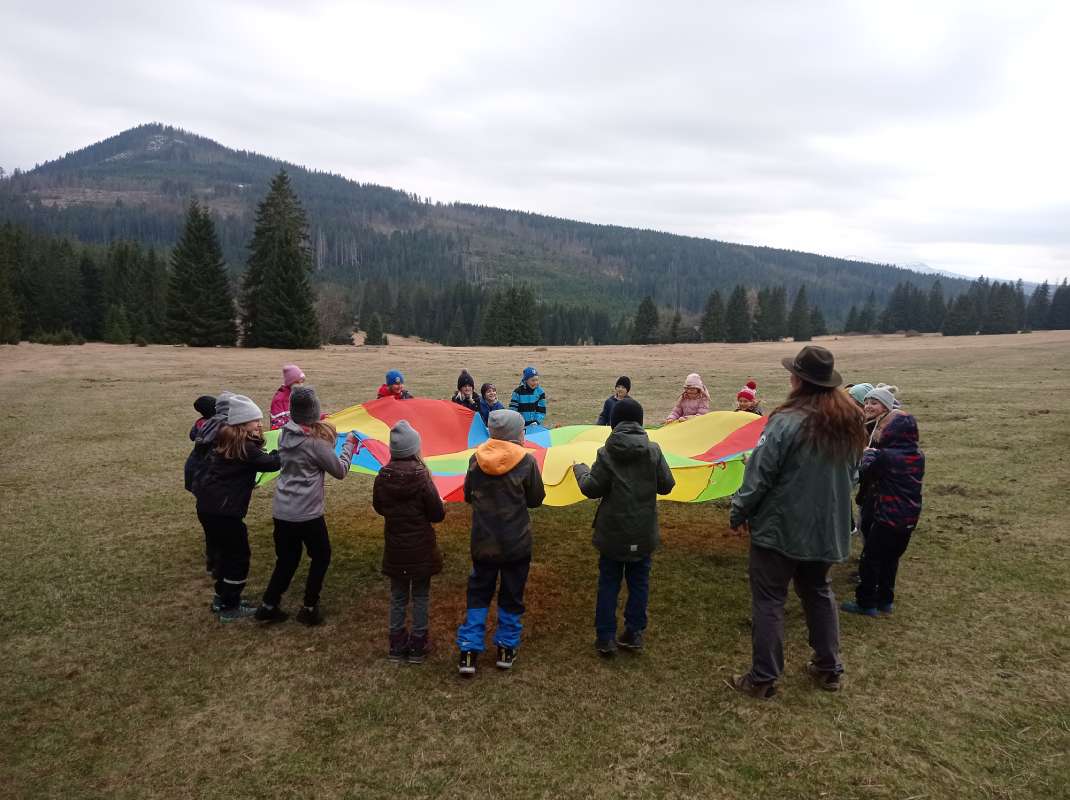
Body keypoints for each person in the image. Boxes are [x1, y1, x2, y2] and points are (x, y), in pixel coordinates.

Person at [728, 345, 865, 697]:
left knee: (769, 599)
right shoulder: (849, 422)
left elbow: (759, 475)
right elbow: (852, 474)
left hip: (780, 529)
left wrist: (738, 510)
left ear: (799, 380)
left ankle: (763, 678)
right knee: (818, 591)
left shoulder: (785, 422)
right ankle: (828, 668)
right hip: (826, 529)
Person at [573, 398, 675, 656]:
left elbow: (591, 488)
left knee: (609, 583)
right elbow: (667, 485)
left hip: (613, 533)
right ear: (640, 422)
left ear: (613, 423)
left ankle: (605, 637)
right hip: (643, 532)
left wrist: (580, 470)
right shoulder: (653, 451)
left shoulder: (606, 453)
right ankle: (634, 632)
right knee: (639, 582)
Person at [255, 387, 358, 626]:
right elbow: (340, 471)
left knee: (287, 560)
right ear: (313, 413)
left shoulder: (284, 434)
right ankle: (310, 607)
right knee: (321, 556)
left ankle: (268, 605)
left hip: (282, 511)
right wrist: (349, 445)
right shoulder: (315, 444)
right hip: (307, 515)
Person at [456, 410, 545, 676]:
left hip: (483, 542)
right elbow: (536, 499)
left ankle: (468, 650)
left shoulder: (475, 459)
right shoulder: (527, 461)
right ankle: (506, 647)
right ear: (516, 433)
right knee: (512, 594)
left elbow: (468, 494)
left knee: (478, 592)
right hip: (516, 542)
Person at [194, 395, 281, 621]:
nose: (259, 424)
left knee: (224, 555)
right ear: (242, 424)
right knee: (238, 556)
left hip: (208, 508)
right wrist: (281, 451)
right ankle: (230, 606)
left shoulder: (226, 439)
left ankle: (221, 598)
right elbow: (272, 464)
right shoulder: (244, 447)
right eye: (255, 421)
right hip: (225, 512)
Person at [372, 421, 446, 663]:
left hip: (395, 548)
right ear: (415, 448)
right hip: (421, 549)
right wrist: (439, 504)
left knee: (398, 596)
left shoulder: (383, 476)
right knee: (421, 596)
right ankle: (417, 644)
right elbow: (436, 514)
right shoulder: (422, 477)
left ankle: (396, 645)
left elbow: (379, 507)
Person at [842, 413, 925, 617]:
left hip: (887, 518)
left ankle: (866, 602)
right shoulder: (918, 456)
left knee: (870, 559)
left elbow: (867, 470)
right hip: (909, 518)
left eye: (882, 428)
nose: (879, 431)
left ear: (893, 433)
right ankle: (886, 599)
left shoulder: (885, 457)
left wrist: (867, 454)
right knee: (891, 559)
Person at [270, 365, 306, 430]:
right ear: (290, 383)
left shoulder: (298, 395)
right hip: (287, 434)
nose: (301, 385)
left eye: (302, 382)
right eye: (297, 382)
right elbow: (277, 425)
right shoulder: (279, 400)